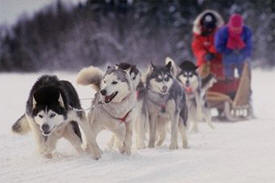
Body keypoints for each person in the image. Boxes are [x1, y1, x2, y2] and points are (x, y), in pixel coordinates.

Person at [215, 13, 252, 79]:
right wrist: (228, 49)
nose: (236, 31)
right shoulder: (222, 32)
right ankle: (229, 86)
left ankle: (245, 87)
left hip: (242, 56)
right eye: (234, 28)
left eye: (238, 29)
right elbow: (218, 46)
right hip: (227, 55)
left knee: (245, 74)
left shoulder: (247, 31)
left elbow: (249, 47)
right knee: (228, 76)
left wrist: (243, 53)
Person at [192, 10, 225, 79]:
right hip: (203, 61)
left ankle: (222, 84)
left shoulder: (220, 32)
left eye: (211, 27)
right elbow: (196, 48)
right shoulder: (198, 35)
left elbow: (220, 42)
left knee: (220, 69)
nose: (209, 30)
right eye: (207, 27)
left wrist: (212, 52)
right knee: (201, 69)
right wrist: (204, 55)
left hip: (218, 59)